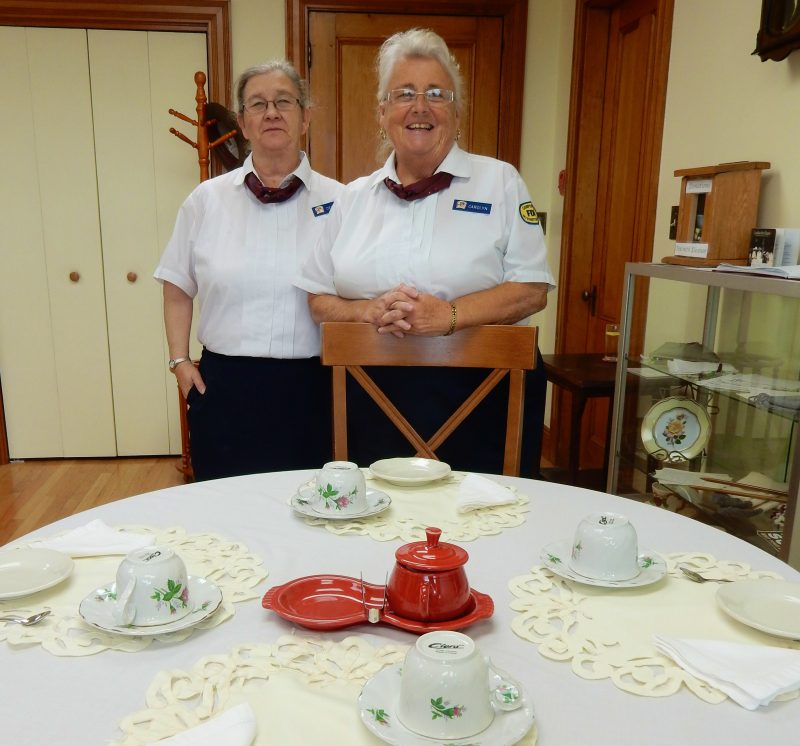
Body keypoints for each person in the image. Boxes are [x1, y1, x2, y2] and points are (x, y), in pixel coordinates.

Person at [295, 29, 555, 476]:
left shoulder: (501, 183)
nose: (420, 106)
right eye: (404, 94)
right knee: (376, 526)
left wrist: (447, 316)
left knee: (487, 528)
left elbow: (532, 290)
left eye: (437, 93)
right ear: (382, 113)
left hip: (486, 397)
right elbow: (317, 299)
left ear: (457, 112)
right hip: (367, 397)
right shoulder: (351, 199)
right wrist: (367, 311)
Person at [155, 61, 343, 481]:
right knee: (225, 518)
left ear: (306, 116)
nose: (271, 112)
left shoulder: (344, 202)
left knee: (312, 513)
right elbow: (176, 285)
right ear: (242, 122)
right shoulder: (206, 201)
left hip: (315, 387)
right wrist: (180, 362)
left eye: (284, 102)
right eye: (258, 104)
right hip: (225, 389)